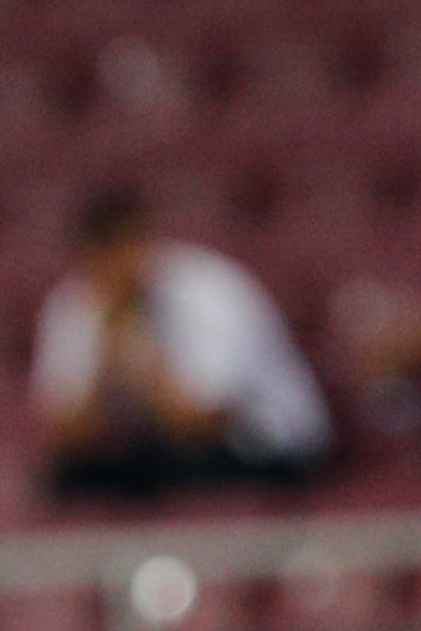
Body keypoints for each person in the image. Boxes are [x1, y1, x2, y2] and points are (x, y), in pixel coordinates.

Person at [32, 190, 333, 499]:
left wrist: (139, 359)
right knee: (70, 480)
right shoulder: (74, 303)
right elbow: (68, 435)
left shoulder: (209, 289)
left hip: (266, 443)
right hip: (165, 450)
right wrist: (107, 348)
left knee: (186, 470)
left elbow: (198, 423)